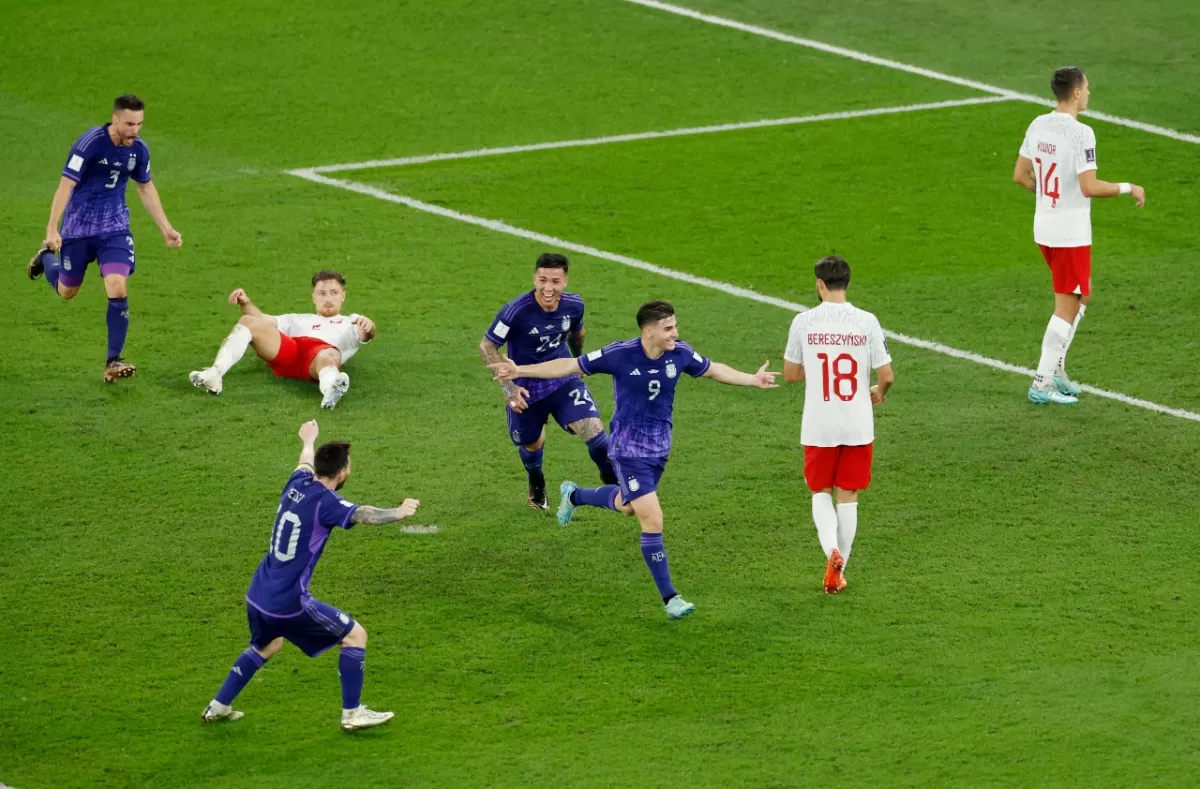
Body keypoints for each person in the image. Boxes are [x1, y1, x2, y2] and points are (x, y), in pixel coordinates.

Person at [490, 300, 779, 619]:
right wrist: (519, 370)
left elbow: (713, 369)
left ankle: (573, 495)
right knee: (652, 518)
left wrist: (752, 379)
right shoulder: (619, 354)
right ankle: (671, 599)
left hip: (659, 448)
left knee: (628, 507)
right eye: (668, 328)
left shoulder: (679, 352)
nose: (675, 333)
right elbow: (569, 365)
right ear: (648, 331)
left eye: (675, 326)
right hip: (627, 450)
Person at [202, 420, 420, 731]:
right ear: (342, 472)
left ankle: (218, 706)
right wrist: (397, 512)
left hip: (259, 593)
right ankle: (353, 713)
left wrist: (308, 440)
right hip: (289, 601)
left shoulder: (296, 483)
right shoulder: (326, 503)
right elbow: (361, 513)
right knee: (355, 635)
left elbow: (304, 462)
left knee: (267, 645)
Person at [26, 94, 183, 382]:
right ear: (115, 120)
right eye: (129, 124)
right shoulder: (89, 144)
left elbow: (145, 188)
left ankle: (113, 360)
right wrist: (52, 228)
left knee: (117, 285)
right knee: (67, 291)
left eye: (139, 124)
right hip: (78, 229)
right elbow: (65, 185)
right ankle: (45, 258)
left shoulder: (139, 150)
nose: (135, 130)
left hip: (115, 228)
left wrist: (165, 227)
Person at [1013, 66, 1145, 405]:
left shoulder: (1037, 124)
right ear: (1075, 92)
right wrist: (1129, 187)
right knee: (1066, 307)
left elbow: (1020, 175)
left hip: (1044, 227)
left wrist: (1048, 198)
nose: (1088, 94)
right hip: (1069, 234)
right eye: (1086, 88)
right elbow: (1089, 187)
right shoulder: (1082, 133)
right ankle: (1042, 383)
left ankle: (1056, 369)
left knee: (1082, 294)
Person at [783, 256, 894, 594]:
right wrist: (878, 392)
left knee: (820, 491)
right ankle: (838, 570)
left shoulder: (803, 321)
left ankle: (830, 550)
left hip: (820, 422)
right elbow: (887, 375)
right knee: (849, 495)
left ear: (819, 284)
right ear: (847, 282)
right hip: (857, 422)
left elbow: (791, 374)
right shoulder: (867, 321)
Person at [479, 253, 617, 510]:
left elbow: (578, 333)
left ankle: (613, 485)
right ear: (534, 279)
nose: (548, 288)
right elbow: (487, 345)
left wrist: (578, 363)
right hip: (526, 388)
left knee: (596, 435)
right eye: (542, 280)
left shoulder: (574, 305)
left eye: (555, 281)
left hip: (561, 378)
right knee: (532, 443)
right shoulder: (516, 311)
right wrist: (509, 388)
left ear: (565, 282)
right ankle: (536, 479)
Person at [189, 271, 375, 409]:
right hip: (290, 352)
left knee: (327, 353)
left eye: (334, 292)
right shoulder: (298, 318)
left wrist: (368, 326)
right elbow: (263, 320)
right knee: (248, 322)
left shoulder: (351, 321)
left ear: (343, 296)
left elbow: (367, 333)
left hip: (319, 359)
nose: (328, 298)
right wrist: (246, 303)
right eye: (322, 293)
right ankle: (215, 374)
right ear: (313, 297)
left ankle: (330, 390)